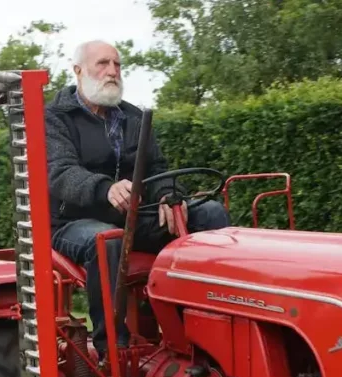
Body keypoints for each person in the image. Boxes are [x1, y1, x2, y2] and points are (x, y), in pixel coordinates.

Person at [44, 40, 231, 354]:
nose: (112, 72)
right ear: (78, 71)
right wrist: (105, 188)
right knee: (108, 240)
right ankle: (111, 349)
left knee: (209, 212)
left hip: (133, 217)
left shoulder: (133, 117)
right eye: (103, 64)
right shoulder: (54, 117)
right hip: (72, 222)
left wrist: (169, 197)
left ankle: (212, 328)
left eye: (117, 65)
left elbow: (156, 168)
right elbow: (61, 172)